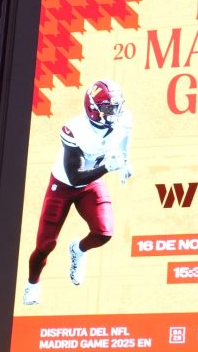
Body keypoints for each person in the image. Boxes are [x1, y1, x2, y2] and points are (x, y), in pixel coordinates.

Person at [22, 79, 132, 300]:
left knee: (104, 232)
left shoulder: (125, 120)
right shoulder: (75, 129)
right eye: (108, 108)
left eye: (116, 106)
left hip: (91, 183)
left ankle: (78, 251)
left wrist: (125, 163)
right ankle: (32, 284)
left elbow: (123, 141)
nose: (114, 112)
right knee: (45, 245)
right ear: (93, 108)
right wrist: (107, 168)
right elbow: (75, 176)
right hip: (63, 186)